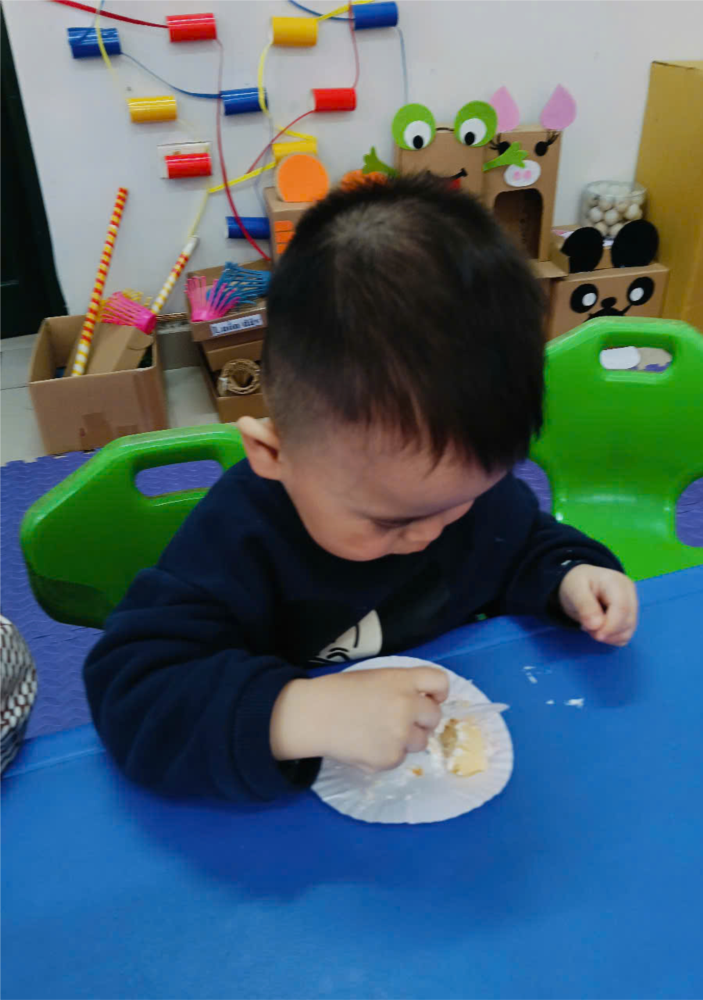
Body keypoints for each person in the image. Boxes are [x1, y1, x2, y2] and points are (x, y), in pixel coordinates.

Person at [84, 174, 638, 802]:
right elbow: (132, 692)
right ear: (273, 454)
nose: (429, 534)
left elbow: (525, 544)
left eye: (458, 503)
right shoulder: (238, 536)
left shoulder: (472, 501)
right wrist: (296, 712)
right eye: (388, 521)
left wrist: (571, 576)